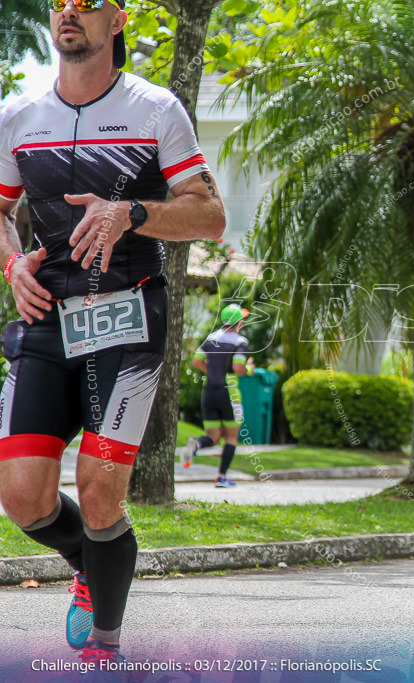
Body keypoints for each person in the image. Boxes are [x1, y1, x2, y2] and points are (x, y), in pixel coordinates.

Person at [0, 0, 225, 664]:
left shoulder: (157, 110)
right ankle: (86, 565)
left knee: (100, 492)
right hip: (47, 315)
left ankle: (106, 649)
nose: (70, 10)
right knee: (21, 496)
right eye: (60, 0)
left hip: (128, 315)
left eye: (88, 1)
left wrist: (131, 212)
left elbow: (209, 215)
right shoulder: (16, 117)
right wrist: (13, 264)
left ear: (117, 20)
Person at [185, 304, 255, 487]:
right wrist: (249, 369)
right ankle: (221, 477)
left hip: (209, 392)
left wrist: (212, 371)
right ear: (239, 322)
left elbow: (196, 361)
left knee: (213, 437)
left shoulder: (211, 338)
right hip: (228, 393)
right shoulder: (240, 341)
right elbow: (238, 368)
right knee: (231, 437)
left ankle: (196, 444)